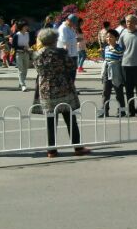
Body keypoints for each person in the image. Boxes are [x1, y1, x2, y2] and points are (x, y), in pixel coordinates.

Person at [33, 28, 92, 158]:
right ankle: (78, 147)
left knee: (50, 121)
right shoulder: (61, 52)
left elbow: (38, 70)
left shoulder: (37, 54)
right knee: (70, 118)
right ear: (54, 40)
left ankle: (51, 150)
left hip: (46, 89)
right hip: (62, 87)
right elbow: (71, 66)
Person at [119, 15, 137, 116]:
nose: (129, 23)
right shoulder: (123, 34)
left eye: (131, 21)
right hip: (126, 65)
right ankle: (131, 111)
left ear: (136, 23)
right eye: (127, 21)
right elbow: (120, 48)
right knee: (128, 89)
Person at [98, 29, 126, 118]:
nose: (108, 38)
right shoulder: (106, 48)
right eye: (107, 37)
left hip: (116, 71)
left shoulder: (119, 49)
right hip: (107, 70)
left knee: (118, 92)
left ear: (116, 38)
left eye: (111, 37)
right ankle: (104, 111)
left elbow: (122, 61)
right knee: (105, 92)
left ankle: (122, 111)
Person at [56, 14, 80, 81]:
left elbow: (72, 38)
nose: (74, 24)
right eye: (73, 23)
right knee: (68, 75)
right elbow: (64, 41)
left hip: (73, 54)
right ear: (68, 20)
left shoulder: (71, 28)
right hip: (67, 55)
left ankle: (71, 86)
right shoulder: (63, 28)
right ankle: (69, 87)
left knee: (72, 74)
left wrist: (75, 39)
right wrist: (76, 40)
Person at [11, 21, 32, 91]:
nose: (27, 27)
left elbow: (29, 43)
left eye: (27, 26)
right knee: (21, 70)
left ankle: (21, 82)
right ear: (21, 27)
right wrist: (23, 48)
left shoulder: (27, 34)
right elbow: (14, 46)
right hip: (19, 54)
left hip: (26, 53)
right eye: (25, 26)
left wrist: (29, 49)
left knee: (25, 69)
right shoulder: (16, 35)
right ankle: (23, 85)